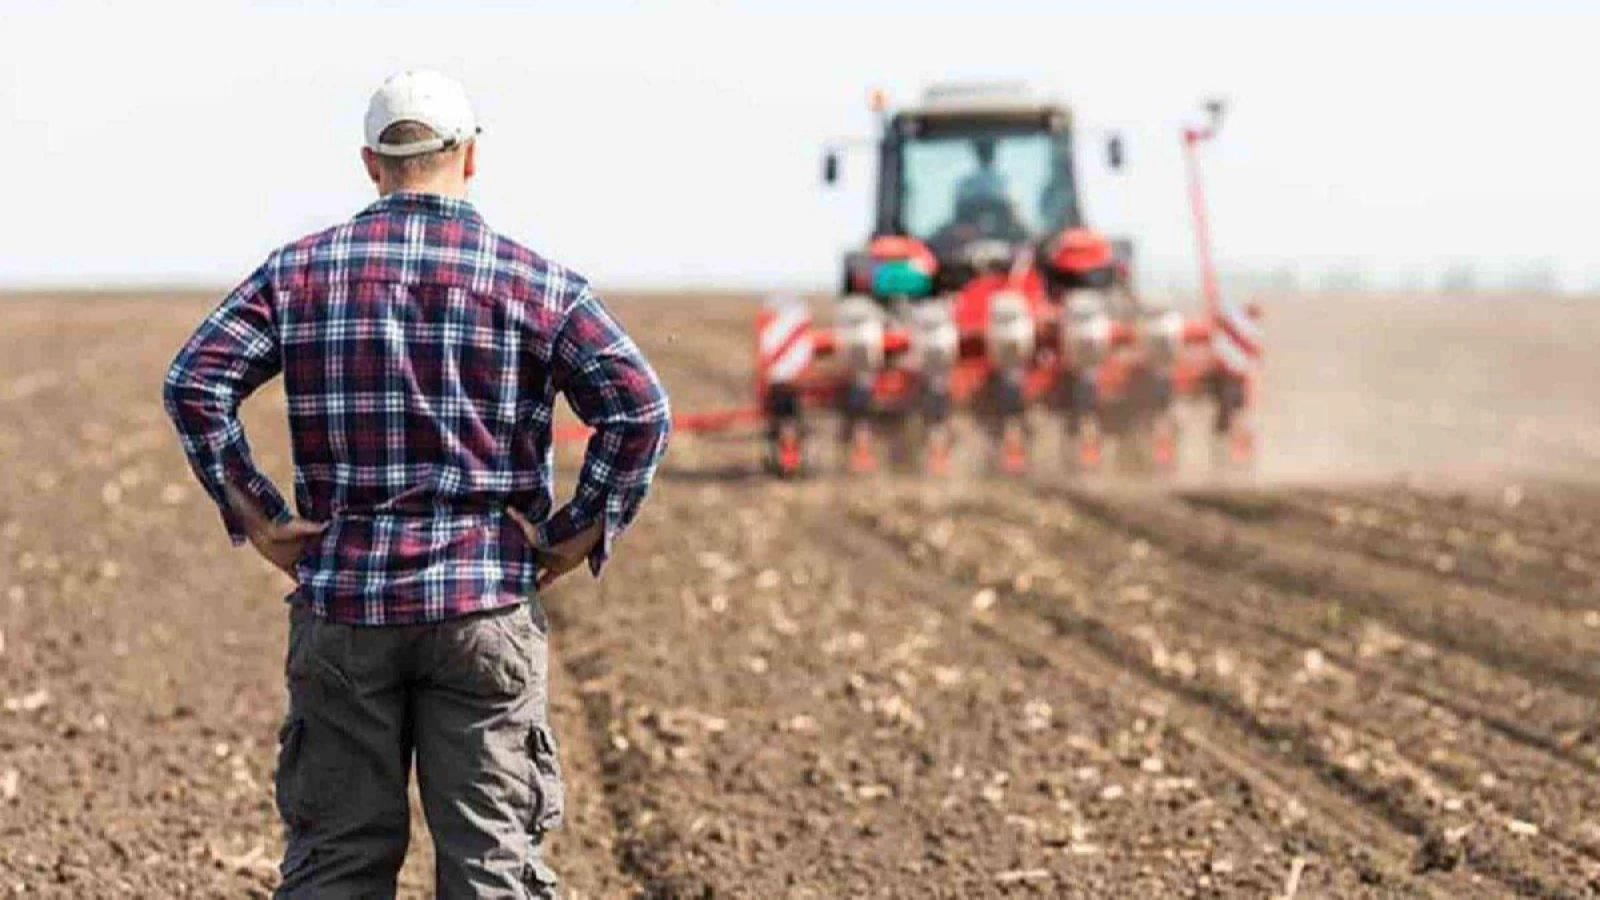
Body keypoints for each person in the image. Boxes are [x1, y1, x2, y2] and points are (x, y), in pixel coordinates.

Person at [162, 69, 671, 898]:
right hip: (484, 609)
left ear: (371, 164)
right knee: (491, 870)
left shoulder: (299, 275)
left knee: (336, 868)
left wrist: (258, 517)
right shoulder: (537, 283)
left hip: (345, 605)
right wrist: (580, 532)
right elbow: (640, 408)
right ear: (470, 158)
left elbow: (195, 381)